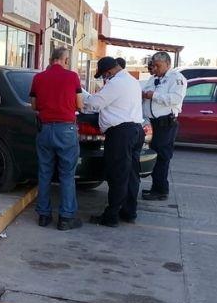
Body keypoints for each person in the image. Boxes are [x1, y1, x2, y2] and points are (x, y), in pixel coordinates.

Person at [84, 57, 145, 227]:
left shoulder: (116, 83)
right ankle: (129, 212)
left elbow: (95, 104)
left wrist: (81, 100)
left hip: (121, 134)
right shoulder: (132, 81)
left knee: (117, 175)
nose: (104, 79)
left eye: (104, 76)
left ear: (109, 72)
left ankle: (111, 217)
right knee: (132, 175)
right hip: (135, 131)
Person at [30, 47, 85, 231]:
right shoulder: (72, 77)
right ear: (65, 59)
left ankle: (44, 216)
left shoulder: (38, 78)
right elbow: (79, 104)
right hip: (66, 130)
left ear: (51, 59)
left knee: (44, 173)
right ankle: (65, 218)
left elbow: (34, 105)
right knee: (67, 174)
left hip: (45, 129)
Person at [141, 52, 187, 201]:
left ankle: (161, 190)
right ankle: (156, 187)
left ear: (168, 64)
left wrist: (153, 95)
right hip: (153, 124)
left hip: (165, 124)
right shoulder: (153, 78)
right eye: (153, 65)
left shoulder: (176, 78)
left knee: (162, 157)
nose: (155, 68)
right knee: (154, 156)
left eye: (158, 65)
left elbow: (175, 99)